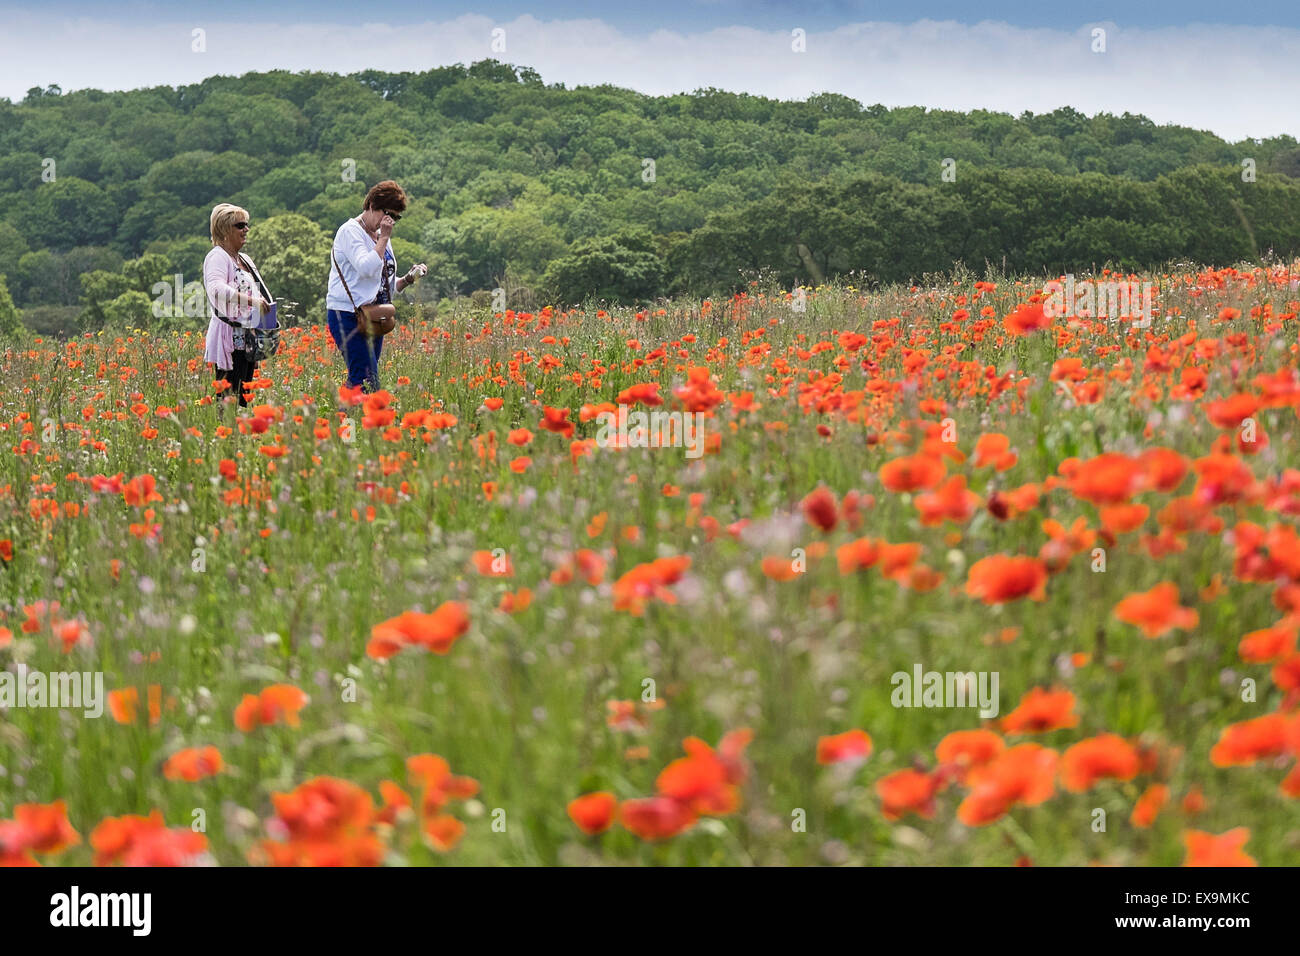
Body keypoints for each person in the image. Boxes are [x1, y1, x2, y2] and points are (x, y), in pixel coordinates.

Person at [326, 180, 426, 392]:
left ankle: (343, 420)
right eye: (388, 214)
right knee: (365, 378)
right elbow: (366, 268)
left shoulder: (381, 235)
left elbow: (383, 283)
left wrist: (407, 278)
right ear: (371, 205)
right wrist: (384, 238)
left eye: (396, 217)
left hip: (374, 315)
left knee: (364, 377)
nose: (390, 221)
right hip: (347, 314)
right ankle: (355, 422)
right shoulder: (350, 232)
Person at [203, 203, 273, 407]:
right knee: (227, 397)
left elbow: (257, 290)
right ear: (225, 230)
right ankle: (225, 435)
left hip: (248, 337)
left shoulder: (244, 259)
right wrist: (251, 301)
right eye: (240, 225)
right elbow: (215, 288)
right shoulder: (217, 256)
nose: (246, 229)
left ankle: (239, 434)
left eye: (246, 224)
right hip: (229, 339)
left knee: (243, 397)